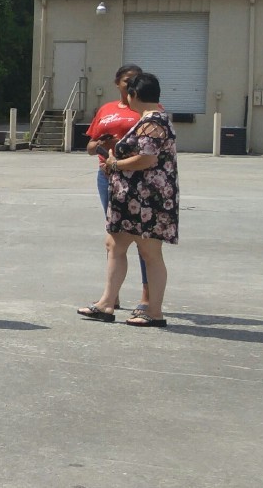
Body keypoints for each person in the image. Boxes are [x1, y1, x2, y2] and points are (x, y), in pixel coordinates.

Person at [79, 72, 178, 328]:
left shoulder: (154, 121)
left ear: (134, 95)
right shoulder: (147, 119)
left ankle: (154, 312)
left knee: (150, 252)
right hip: (130, 198)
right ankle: (106, 304)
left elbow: (147, 159)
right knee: (114, 245)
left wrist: (115, 164)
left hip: (149, 200)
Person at [85, 64, 148, 317]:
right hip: (107, 177)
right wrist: (102, 143)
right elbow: (90, 146)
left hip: (137, 180)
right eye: (126, 80)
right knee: (113, 237)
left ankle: (146, 296)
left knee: (144, 238)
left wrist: (123, 147)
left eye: (135, 81)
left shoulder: (147, 110)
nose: (130, 85)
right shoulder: (106, 109)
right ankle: (112, 295)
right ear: (117, 82)